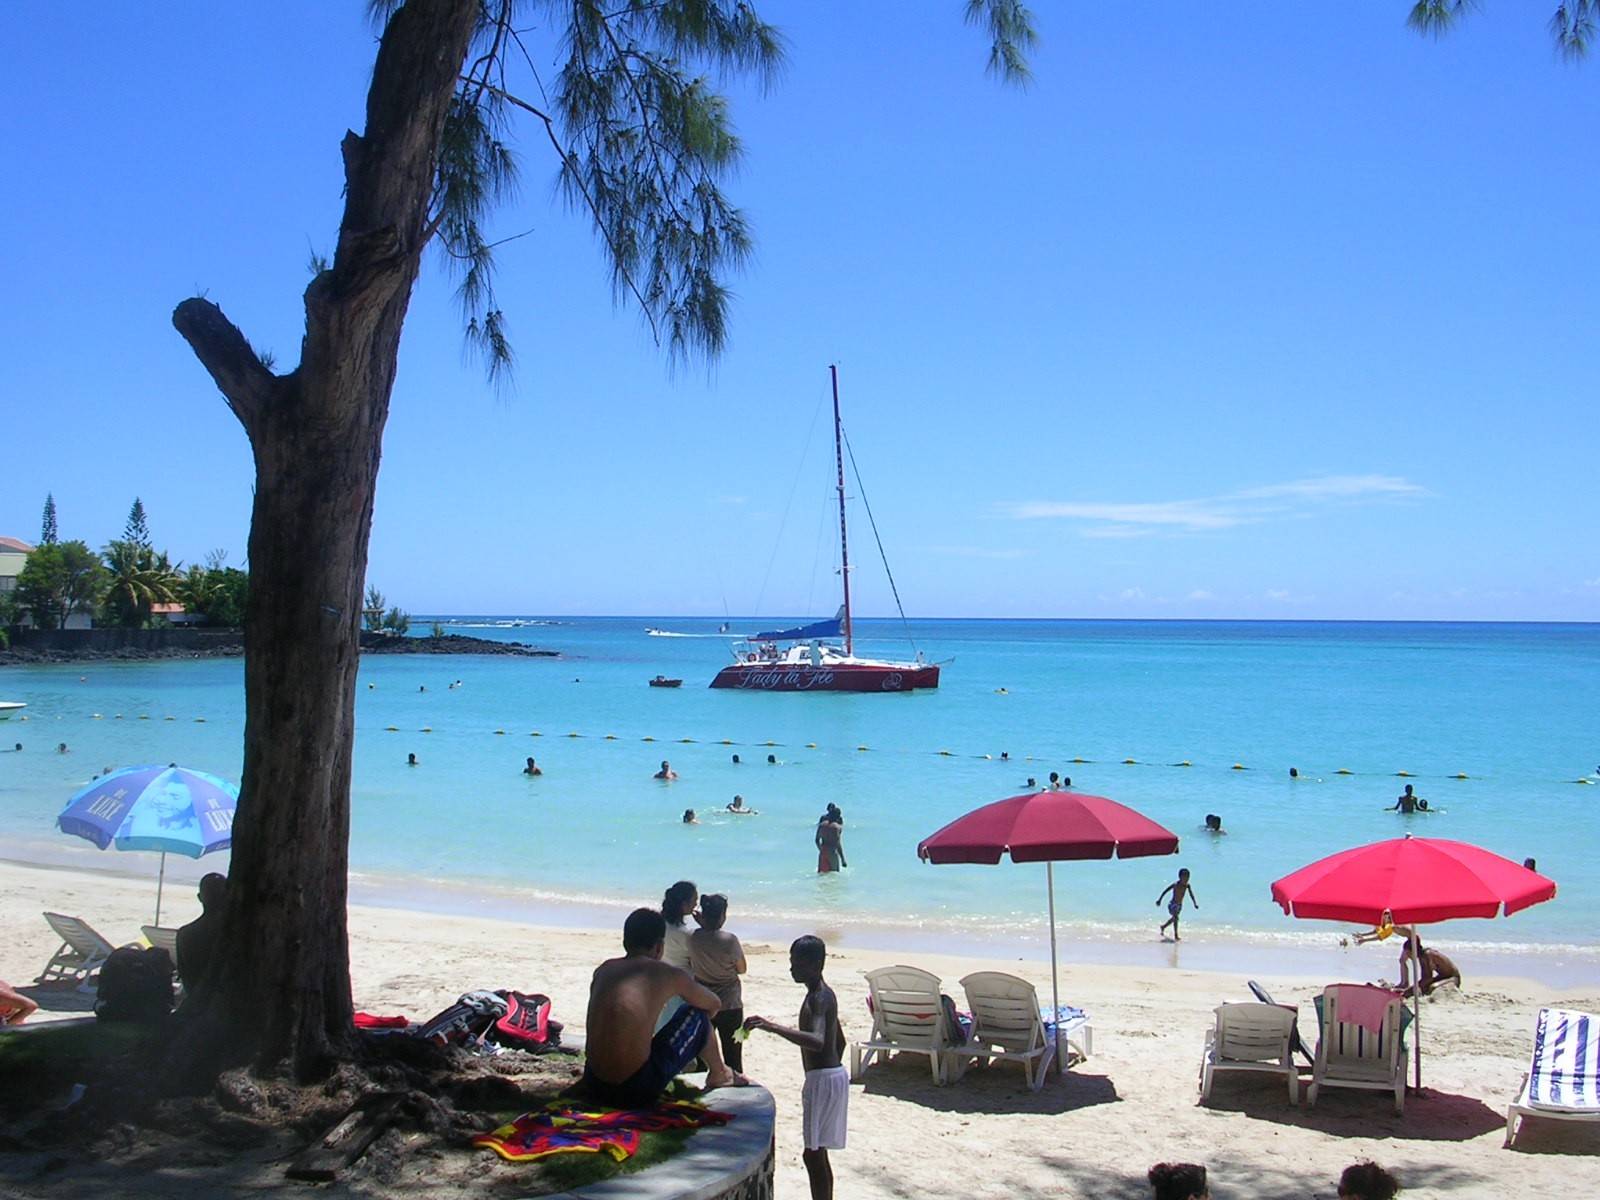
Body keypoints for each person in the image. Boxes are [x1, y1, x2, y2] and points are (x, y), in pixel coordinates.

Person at [578, 908, 747, 1107]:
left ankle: (718, 1072)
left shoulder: (604, 970)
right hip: (635, 1088)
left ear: (626, 941)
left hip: (593, 1083)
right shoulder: (666, 973)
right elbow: (714, 1003)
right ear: (659, 947)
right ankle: (720, 1073)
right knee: (696, 1012)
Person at [743, 936, 845, 1200]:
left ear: (816, 964)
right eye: (791, 962)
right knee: (818, 1153)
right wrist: (832, 1072)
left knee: (812, 1155)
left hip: (823, 1080)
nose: (791, 968)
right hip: (831, 1077)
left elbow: (818, 1041)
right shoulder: (822, 994)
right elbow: (840, 1041)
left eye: (797, 963)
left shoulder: (819, 999)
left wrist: (770, 1026)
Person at [689, 894, 747, 1072]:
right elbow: (742, 969)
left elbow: (706, 935)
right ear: (723, 915)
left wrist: (703, 924)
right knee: (733, 1057)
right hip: (730, 1004)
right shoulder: (729, 940)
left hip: (703, 1002)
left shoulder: (694, 937)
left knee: (703, 1059)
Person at [176, 872, 229, 992]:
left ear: (200, 897)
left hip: (195, 1001)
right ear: (227, 896)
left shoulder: (184, 934)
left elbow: (185, 977)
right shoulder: (236, 934)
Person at [660, 880, 698, 970]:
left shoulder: (658, 923)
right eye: (694, 900)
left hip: (662, 972)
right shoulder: (685, 935)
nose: (696, 904)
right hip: (683, 977)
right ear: (684, 904)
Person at [1157, 868, 1198, 940]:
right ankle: (1176, 935)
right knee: (1176, 918)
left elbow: (1191, 894)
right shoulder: (1176, 884)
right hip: (1172, 904)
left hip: (1179, 905)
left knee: (1174, 919)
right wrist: (1160, 900)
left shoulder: (1187, 886)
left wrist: (1195, 903)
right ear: (1180, 877)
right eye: (1185, 878)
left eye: (1188, 878)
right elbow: (1165, 891)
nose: (1186, 879)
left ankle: (1163, 927)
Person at [815, 808, 846, 873]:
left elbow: (817, 840)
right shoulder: (837, 827)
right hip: (832, 852)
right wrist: (843, 859)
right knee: (834, 874)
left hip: (823, 851)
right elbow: (838, 843)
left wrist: (821, 850)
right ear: (838, 816)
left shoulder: (821, 825)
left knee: (821, 874)